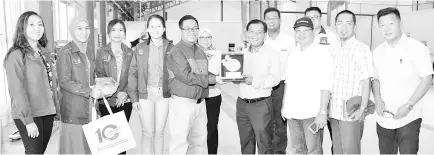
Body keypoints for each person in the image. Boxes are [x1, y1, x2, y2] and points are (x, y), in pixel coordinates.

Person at [372, 7, 433, 154]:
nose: (387, 28)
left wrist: (409, 105)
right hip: (384, 118)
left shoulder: (417, 48)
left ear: (400, 23)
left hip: (409, 117)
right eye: (382, 25)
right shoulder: (377, 51)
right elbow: (376, 79)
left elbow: (427, 78)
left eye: (391, 23)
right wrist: (378, 99)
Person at [166, 15, 224, 154]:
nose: (192, 31)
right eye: (188, 28)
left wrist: (224, 74)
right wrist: (212, 79)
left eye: (195, 28)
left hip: (200, 104)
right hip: (182, 105)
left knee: (198, 144)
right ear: (181, 30)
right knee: (179, 144)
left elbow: (203, 73)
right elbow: (186, 76)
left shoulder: (199, 51)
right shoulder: (176, 51)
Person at [4, 11, 57, 154]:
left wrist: (54, 110)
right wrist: (28, 121)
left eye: (40, 24)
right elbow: (17, 90)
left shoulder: (42, 52)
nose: (37, 28)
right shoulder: (16, 55)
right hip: (29, 114)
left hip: (47, 111)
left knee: (39, 152)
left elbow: (49, 83)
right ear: (22, 28)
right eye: (31, 25)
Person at [281, 17, 333, 154]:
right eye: (298, 30)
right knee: (298, 149)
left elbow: (326, 85)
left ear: (313, 32)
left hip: (311, 113)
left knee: (314, 150)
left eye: (305, 30)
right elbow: (288, 83)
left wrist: (322, 112)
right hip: (292, 113)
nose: (301, 34)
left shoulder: (322, 53)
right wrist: (284, 106)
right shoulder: (293, 54)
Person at [329, 10, 375, 154]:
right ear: (335, 26)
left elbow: (366, 81)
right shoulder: (334, 50)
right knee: (337, 150)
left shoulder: (361, 49)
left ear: (354, 26)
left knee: (350, 151)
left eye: (348, 23)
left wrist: (362, 108)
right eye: (340, 23)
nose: (344, 28)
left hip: (351, 112)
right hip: (334, 112)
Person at [127, 14, 173, 154]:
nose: (155, 29)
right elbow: (132, 73)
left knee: (159, 133)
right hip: (145, 94)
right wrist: (134, 98)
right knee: (147, 132)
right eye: (151, 26)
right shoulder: (140, 48)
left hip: (164, 95)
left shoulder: (172, 47)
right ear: (147, 29)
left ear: (164, 28)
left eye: (158, 26)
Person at [57, 16, 102, 154]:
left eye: (87, 28)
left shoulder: (87, 51)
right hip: (74, 110)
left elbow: (90, 78)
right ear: (72, 30)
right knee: (75, 148)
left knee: (88, 147)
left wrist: (99, 86)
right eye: (79, 28)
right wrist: (89, 91)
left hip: (89, 107)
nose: (84, 32)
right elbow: (64, 82)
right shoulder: (65, 52)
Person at [236, 19, 280, 154]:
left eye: (259, 32)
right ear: (246, 33)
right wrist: (234, 78)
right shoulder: (241, 53)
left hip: (261, 104)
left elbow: (275, 79)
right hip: (242, 104)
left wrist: (254, 81)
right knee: (245, 142)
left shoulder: (272, 53)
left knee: (264, 142)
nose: (254, 35)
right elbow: (237, 74)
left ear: (265, 35)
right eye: (251, 31)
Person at [95, 19, 134, 154]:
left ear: (124, 33)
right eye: (114, 30)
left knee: (121, 143)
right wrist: (117, 92)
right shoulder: (102, 52)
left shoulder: (130, 52)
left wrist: (125, 94)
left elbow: (133, 75)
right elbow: (100, 76)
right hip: (107, 101)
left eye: (121, 30)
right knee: (110, 142)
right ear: (108, 33)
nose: (117, 33)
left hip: (125, 100)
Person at [263, 7, 296, 154]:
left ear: (280, 20)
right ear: (264, 21)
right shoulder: (260, 40)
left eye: (274, 17)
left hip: (282, 86)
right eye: (268, 18)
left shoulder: (289, 41)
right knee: (263, 123)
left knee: (280, 123)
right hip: (263, 86)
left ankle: (279, 152)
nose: (271, 20)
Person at [197, 28, 224, 154]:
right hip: (197, 95)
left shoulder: (218, 53)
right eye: (202, 37)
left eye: (208, 37)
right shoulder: (193, 53)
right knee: (196, 128)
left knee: (212, 127)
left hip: (214, 94)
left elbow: (224, 71)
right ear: (198, 39)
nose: (205, 40)